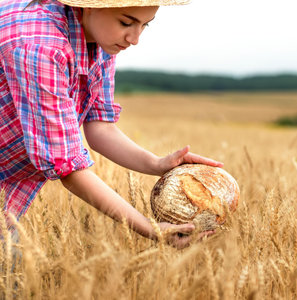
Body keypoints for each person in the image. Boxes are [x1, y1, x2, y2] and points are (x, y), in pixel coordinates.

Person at [0, 0, 222, 249]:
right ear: (90, 5)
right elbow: (67, 167)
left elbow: (99, 126)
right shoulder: (41, 47)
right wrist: (147, 227)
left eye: (145, 25)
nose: (135, 38)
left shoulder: (101, 39)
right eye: (126, 22)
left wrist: (157, 164)